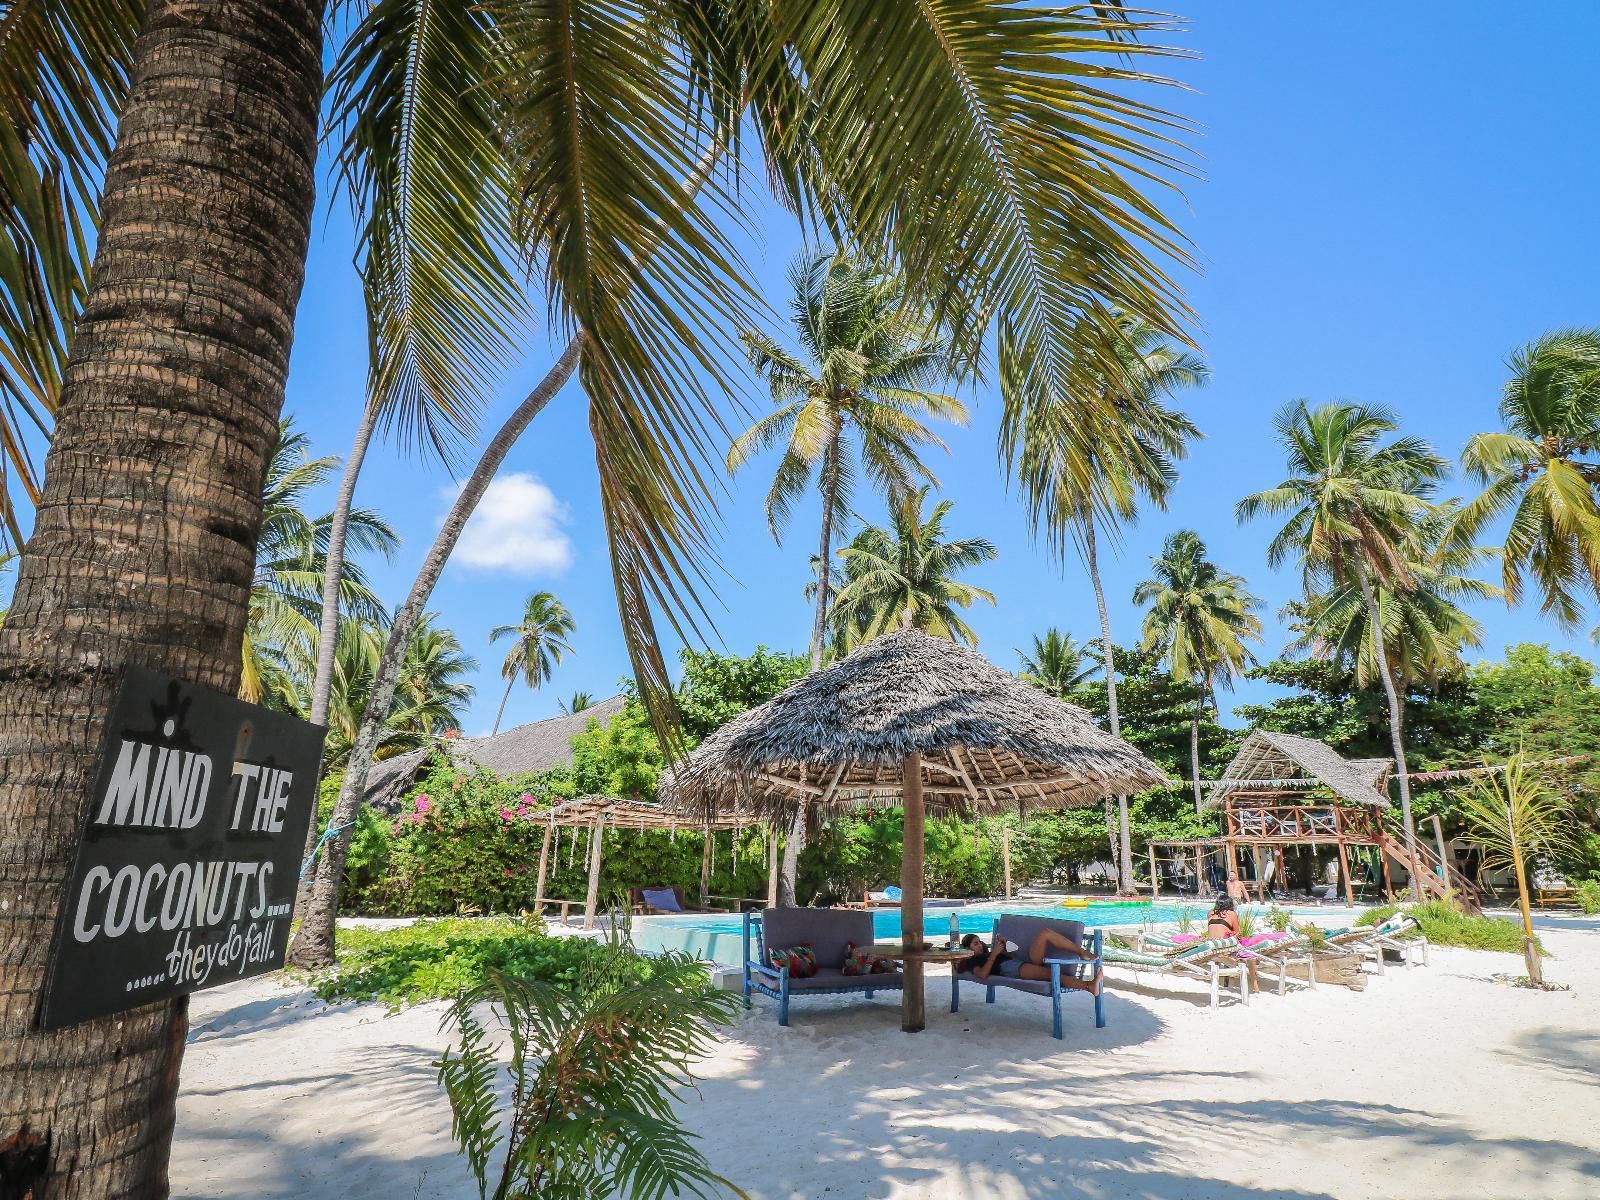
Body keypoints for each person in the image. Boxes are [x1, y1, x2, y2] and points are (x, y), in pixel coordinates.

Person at [958, 929, 1101, 994]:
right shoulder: (972, 961)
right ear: (967, 949)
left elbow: (1010, 955)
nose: (980, 945)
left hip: (1022, 962)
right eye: (975, 944)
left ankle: (1082, 952)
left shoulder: (987, 955)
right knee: (1055, 974)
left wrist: (1003, 945)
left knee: (1045, 933)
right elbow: (983, 974)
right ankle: (1088, 986)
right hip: (1014, 969)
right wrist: (994, 954)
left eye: (979, 942)